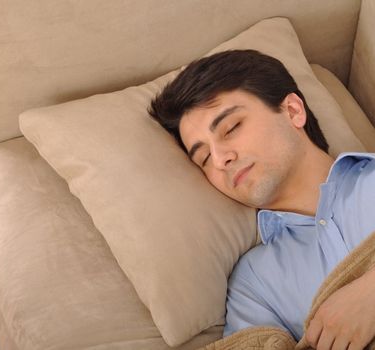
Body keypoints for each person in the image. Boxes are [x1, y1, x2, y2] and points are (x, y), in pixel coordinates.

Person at [148, 49, 375, 350]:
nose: (220, 159)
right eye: (203, 158)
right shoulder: (254, 283)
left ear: (293, 111)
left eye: (231, 128)